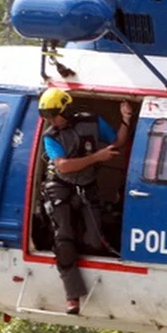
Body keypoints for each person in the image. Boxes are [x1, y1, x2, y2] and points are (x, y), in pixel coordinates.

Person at [38, 88, 133, 314]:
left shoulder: (91, 121)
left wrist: (126, 119)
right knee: (63, 237)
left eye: (54, 115)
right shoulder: (50, 137)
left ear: (66, 109)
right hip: (60, 184)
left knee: (94, 241)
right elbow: (63, 166)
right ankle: (72, 295)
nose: (51, 121)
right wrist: (96, 157)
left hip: (87, 185)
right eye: (47, 117)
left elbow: (117, 141)